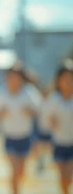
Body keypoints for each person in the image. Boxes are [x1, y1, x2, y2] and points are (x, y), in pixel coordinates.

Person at [0, 61, 42, 194]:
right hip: (9, 137)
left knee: (21, 171)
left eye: (16, 77)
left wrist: (30, 111)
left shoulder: (28, 92)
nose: (13, 80)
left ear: (21, 79)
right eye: (10, 77)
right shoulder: (1, 93)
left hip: (25, 137)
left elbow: (39, 110)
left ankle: (17, 185)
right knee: (14, 169)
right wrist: (0, 114)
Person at [41, 59, 73, 194]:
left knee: (68, 175)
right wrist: (51, 121)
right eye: (64, 78)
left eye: (71, 78)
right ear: (58, 81)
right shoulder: (54, 99)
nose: (67, 82)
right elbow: (44, 118)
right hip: (59, 144)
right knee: (62, 177)